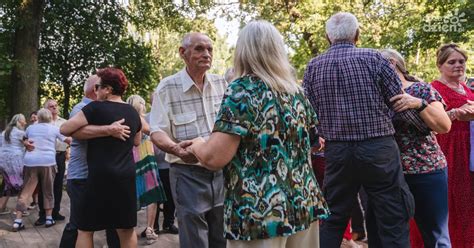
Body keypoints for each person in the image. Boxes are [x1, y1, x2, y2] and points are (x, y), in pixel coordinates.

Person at [185, 20, 330, 248]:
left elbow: (215, 157)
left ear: (243, 51)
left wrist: (196, 144)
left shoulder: (242, 90)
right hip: (303, 203)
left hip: (260, 210)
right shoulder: (296, 93)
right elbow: (314, 143)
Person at [303, 12, 414, 247]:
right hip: (379, 148)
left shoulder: (313, 66)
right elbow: (398, 102)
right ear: (357, 34)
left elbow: (310, 114)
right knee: (393, 215)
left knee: (333, 218)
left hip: (337, 151)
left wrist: (322, 132)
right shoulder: (375, 59)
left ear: (327, 36)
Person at [149, 32, 227, 248]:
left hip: (221, 173)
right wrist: (175, 149)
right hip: (187, 174)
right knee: (195, 240)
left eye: (210, 49)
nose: (207, 54)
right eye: (200, 49)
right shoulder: (167, 87)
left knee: (221, 237)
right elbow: (156, 131)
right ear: (182, 53)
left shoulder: (222, 84)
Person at [60, 67, 141, 248]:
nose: (96, 91)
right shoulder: (133, 112)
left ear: (108, 89)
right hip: (125, 177)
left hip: (99, 176)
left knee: (85, 229)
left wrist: (102, 130)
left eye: (98, 87)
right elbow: (136, 141)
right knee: (126, 230)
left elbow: (64, 129)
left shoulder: (94, 108)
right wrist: (110, 131)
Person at [381, 49, 452, 247]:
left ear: (392, 63)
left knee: (436, 236)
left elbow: (444, 126)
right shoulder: (377, 95)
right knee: (394, 235)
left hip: (426, 170)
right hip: (390, 173)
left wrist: (418, 104)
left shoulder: (421, 89)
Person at [430, 43, 474, 248]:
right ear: (440, 65)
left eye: (461, 61)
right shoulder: (434, 89)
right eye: (452, 62)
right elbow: (430, 122)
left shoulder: (465, 87)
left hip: (469, 148)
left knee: (468, 199)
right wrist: (456, 113)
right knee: (451, 199)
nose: (458, 65)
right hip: (449, 147)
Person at [13, 108, 71, 231]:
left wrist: (26, 143)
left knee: (26, 192)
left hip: (31, 162)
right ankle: (49, 218)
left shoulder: (31, 128)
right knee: (48, 190)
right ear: (50, 117)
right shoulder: (54, 128)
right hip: (47, 162)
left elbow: (24, 138)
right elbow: (68, 140)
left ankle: (17, 221)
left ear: (38, 117)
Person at [126, 94, 167, 245]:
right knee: (151, 194)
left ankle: (129, 228)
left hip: (131, 157)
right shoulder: (140, 119)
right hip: (145, 157)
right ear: (140, 105)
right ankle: (150, 229)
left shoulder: (125, 118)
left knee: (134, 192)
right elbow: (152, 133)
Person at [35, 99, 68, 226]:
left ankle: (55, 212)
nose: (54, 108)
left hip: (60, 155)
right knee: (44, 186)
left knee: (58, 185)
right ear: (45, 109)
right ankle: (43, 215)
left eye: (55, 105)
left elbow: (70, 138)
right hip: (45, 157)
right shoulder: (40, 124)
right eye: (51, 106)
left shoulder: (64, 122)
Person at [0, 114, 27, 214]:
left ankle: (1, 207)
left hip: (3, 162)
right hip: (15, 162)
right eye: (24, 121)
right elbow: (28, 145)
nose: (25, 123)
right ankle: (19, 210)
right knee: (21, 184)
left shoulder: (4, 132)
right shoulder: (20, 133)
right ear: (19, 122)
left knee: (7, 184)